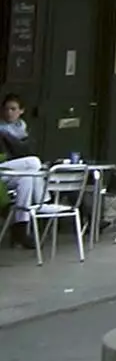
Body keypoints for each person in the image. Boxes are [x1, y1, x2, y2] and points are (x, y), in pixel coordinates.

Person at [0, 94, 41, 248]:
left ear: (21, 111)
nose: (9, 113)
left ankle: (20, 228)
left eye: (13, 109)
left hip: (14, 171)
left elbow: (26, 150)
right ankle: (43, 204)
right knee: (34, 163)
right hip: (3, 168)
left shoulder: (23, 129)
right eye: (6, 109)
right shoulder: (1, 131)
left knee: (28, 179)